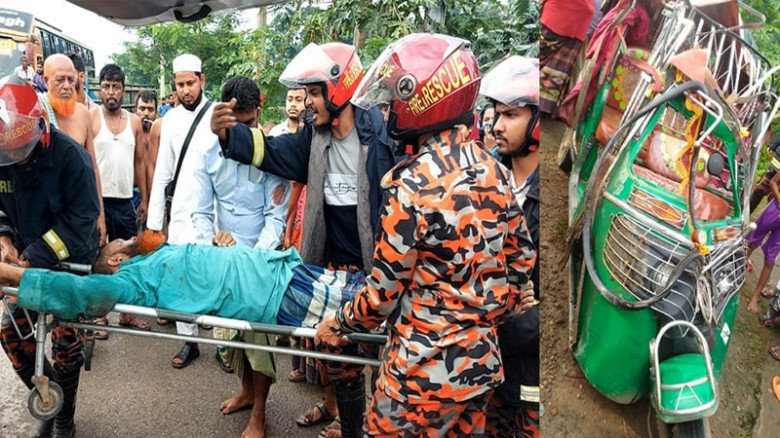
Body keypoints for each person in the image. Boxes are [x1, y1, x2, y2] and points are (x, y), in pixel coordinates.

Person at [313, 33, 537, 437]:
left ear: (422, 99)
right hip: (480, 369)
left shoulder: (410, 186)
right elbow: (521, 262)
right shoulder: (493, 170)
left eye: (393, 99)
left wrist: (339, 323)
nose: (388, 110)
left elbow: (381, 296)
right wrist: (485, 315)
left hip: (420, 378)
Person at [212, 41, 396, 438]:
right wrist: (230, 134)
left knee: (370, 348)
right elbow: (272, 151)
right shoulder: (313, 137)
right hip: (330, 261)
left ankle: (356, 421)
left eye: (314, 92)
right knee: (332, 347)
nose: (308, 102)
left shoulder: (381, 136)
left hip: (376, 263)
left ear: (339, 89)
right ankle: (338, 410)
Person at [0, 75, 100, 438]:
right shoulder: (3, 156)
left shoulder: (71, 158)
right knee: (11, 335)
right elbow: (1, 211)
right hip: (24, 260)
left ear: (40, 126)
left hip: (69, 258)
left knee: (65, 344)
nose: (16, 158)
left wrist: (33, 256)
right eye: (9, 152)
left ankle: (63, 419)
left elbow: (81, 222)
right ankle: (48, 397)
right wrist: (5, 239)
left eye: (21, 150)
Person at [192, 75, 290, 438]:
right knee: (232, 341)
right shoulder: (209, 155)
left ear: (259, 114)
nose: (244, 135)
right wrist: (212, 245)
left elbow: (276, 218)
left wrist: (250, 259)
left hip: (260, 264)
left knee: (259, 342)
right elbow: (201, 214)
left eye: (250, 124)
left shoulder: (272, 154)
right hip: (224, 261)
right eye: (237, 126)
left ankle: (260, 412)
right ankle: (247, 392)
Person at [480, 55, 542, 438]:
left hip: (530, 365)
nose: (497, 125)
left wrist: (516, 324)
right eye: (496, 114)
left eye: (510, 115)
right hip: (487, 362)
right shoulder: (485, 179)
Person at [147, 53, 216, 368]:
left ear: (202, 80)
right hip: (180, 214)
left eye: (191, 83)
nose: (186, 90)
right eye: (180, 84)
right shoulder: (171, 120)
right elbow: (163, 172)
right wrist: (154, 224)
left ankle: (223, 345)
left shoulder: (217, 114)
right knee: (180, 277)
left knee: (212, 275)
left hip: (213, 213)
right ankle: (190, 341)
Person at [90, 63, 151, 332]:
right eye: (106, 86)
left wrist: (145, 199)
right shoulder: (92, 118)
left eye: (116, 87)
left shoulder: (134, 122)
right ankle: (100, 315)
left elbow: (141, 163)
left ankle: (127, 314)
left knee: (129, 260)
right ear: (100, 89)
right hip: (98, 203)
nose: (111, 92)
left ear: (123, 90)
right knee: (98, 260)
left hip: (126, 201)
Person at [42, 54, 106, 247]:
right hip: (45, 218)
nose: (67, 86)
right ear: (46, 81)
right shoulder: (37, 112)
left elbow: (93, 168)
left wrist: (101, 215)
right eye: (60, 80)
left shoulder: (83, 114)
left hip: (80, 216)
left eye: (71, 80)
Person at [539, 0, 595, 117]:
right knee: (557, 67)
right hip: (575, 22)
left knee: (543, 61)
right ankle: (543, 105)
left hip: (561, 18)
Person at [744, 168, 780, 314]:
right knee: (751, 243)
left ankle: (755, 296)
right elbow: (773, 182)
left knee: (770, 260)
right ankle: (735, 273)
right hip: (775, 209)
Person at [134, 90, 159, 208]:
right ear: (135, 110)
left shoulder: (162, 134)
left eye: (150, 109)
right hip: (134, 193)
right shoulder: (129, 133)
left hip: (156, 192)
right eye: (142, 109)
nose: (146, 113)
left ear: (156, 112)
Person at [749, 132, 780, 213]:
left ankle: (766, 219)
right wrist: (773, 144)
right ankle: (745, 214)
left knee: (775, 198)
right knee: (761, 189)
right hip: (777, 162)